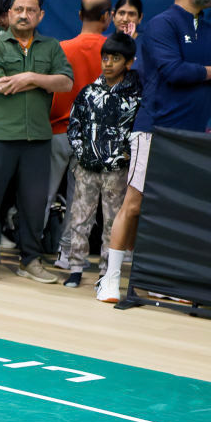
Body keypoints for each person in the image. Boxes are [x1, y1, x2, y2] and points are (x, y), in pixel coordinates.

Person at [99, 0, 211, 302]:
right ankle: (109, 278)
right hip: (154, 130)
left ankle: (157, 280)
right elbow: (174, 71)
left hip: (192, 136)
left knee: (175, 209)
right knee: (134, 204)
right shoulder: (161, 24)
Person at [0, 0, 73, 283]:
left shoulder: (51, 46)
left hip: (38, 137)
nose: (24, 15)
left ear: (40, 15)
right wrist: (44, 82)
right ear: (8, 14)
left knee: (34, 204)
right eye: (18, 9)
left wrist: (30, 77)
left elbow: (66, 82)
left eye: (30, 10)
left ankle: (30, 260)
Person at [59, 32, 140, 287]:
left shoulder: (136, 96)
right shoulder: (88, 92)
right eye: (105, 58)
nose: (108, 63)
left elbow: (138, 131)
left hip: (117, 170)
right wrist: (82, 154)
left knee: (113, 221)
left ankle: (107, 271)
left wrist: (125, 156)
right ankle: (75, 267)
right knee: (80, 217)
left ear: (129, 62)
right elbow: (74, 125)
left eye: (115, 58)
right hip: (87, 168)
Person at [52, 0, 110, 198]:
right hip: (93, 137)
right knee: (80, 204)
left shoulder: (61, 49)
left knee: (41, 198)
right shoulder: (114, 53)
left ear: (79, 15)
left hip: (58, 131)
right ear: (107, 16)